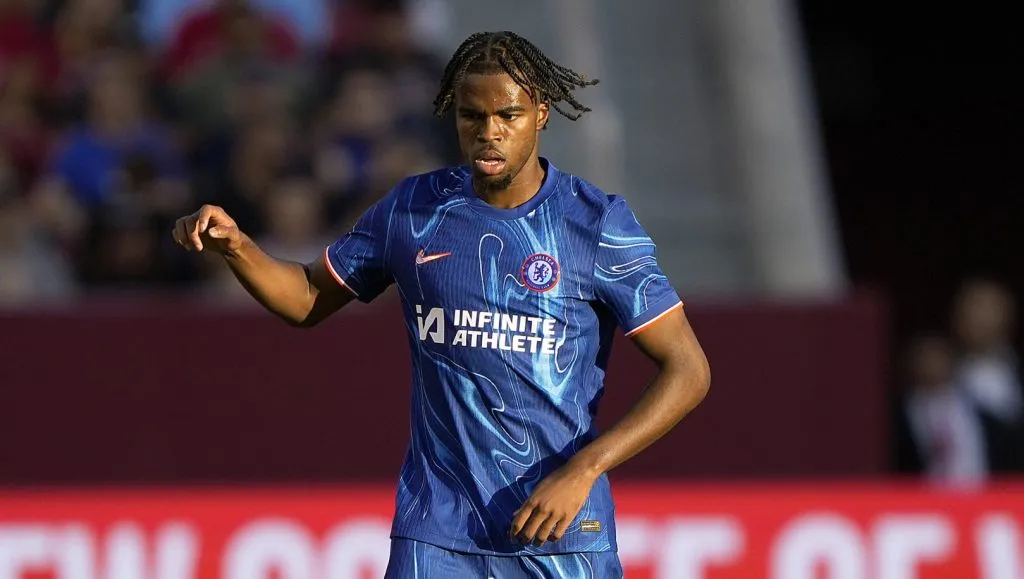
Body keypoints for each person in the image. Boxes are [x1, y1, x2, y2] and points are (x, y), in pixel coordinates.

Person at [172, 31, 710, 578]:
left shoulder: (595, 223)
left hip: (561, 535)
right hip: (438, 536)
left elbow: (688, 370)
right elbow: (307, 298)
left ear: (541, 114)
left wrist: (586, 469)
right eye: (472, 116)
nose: (489, 133)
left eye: (508, 115)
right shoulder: (414, 211)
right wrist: (237, 247)